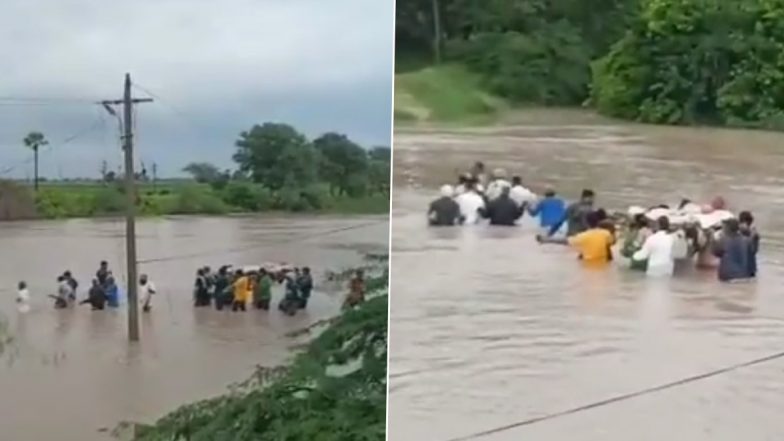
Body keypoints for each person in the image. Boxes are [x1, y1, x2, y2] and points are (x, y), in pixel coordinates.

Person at [739, 211, 760, 278]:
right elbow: (755, 250)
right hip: (750, 267)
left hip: (737, 268)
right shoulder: (754, 234)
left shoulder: (734, 232)